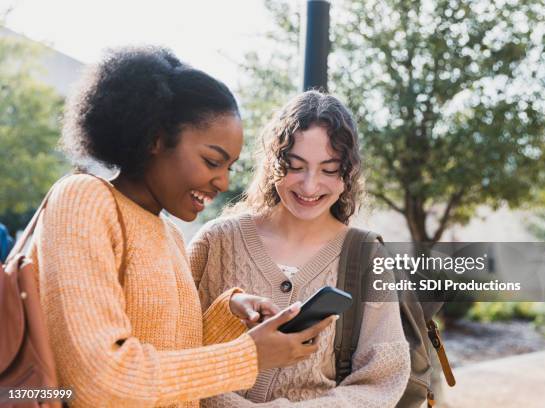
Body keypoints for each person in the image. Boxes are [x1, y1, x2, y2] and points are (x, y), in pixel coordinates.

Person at [29, 47, 334, 407]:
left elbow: (175, 366)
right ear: (155, 139)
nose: (221, 182)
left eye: (229, 168)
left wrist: (231, 313)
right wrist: (249, 356)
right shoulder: (84, 200)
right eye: (212, 161)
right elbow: (101, 380)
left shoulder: (169, 233)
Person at [188, 91, 410, 407]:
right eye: (295, 165)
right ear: (274, 163)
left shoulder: (366, 255)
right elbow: (172, 349)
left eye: (329, 169)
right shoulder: (216, 241)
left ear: (348, 172)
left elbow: (381, 382)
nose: (309, 186)